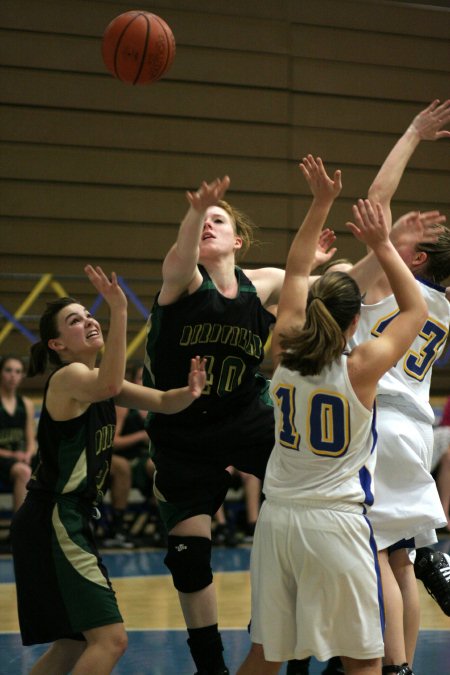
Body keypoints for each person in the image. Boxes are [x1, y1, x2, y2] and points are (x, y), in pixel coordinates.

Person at [236, 154, 427, 675]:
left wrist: (321, 203)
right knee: (364, 662)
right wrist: (386, 245)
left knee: (265, 655)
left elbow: (297, 267)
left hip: (277, 521)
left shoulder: (284, 349)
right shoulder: (362, 367)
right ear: (356, 320)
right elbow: (416, 311)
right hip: (335, 523)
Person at [10, 265, 206, 675]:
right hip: (55, 517)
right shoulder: (71, 377)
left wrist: (190, 392)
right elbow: (113, 386)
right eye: (74, 320)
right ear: (58, 344)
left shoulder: (95, 379)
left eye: (87, 313)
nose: (87, 320)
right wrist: (119, 311)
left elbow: (164, 401)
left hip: (62, 519)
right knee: (111, 639)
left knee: (71, 643)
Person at [350, 98, 450, 675]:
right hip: (416, 426)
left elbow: (376, 204)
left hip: (382, 423)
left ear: (415, 254)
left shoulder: (389, 283)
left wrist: (412, 133)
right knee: (406, 561)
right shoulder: (439, 305)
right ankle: (404, 664)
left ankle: (390, 665)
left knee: (381, 555)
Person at [102, 364, 158, 549]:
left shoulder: (157, 403)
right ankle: (118, 526)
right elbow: (113, 442)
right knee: (155, 467)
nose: (145, 382)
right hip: (126, 457)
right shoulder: (124, 406)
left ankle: (163, 525)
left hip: (148, 457)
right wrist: (140, 437)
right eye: (142, 377)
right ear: (133, 381)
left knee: (168, 466)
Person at [0, 355, 36, 513]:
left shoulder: (26, 404)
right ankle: (18, 532)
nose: (13, 375)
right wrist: (13, 454)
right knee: (23, 471)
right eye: (8, 370)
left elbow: (31, 440)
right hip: (4, 458)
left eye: (18, 371)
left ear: (22, 376)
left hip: (20, 457)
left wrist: (29, 453)